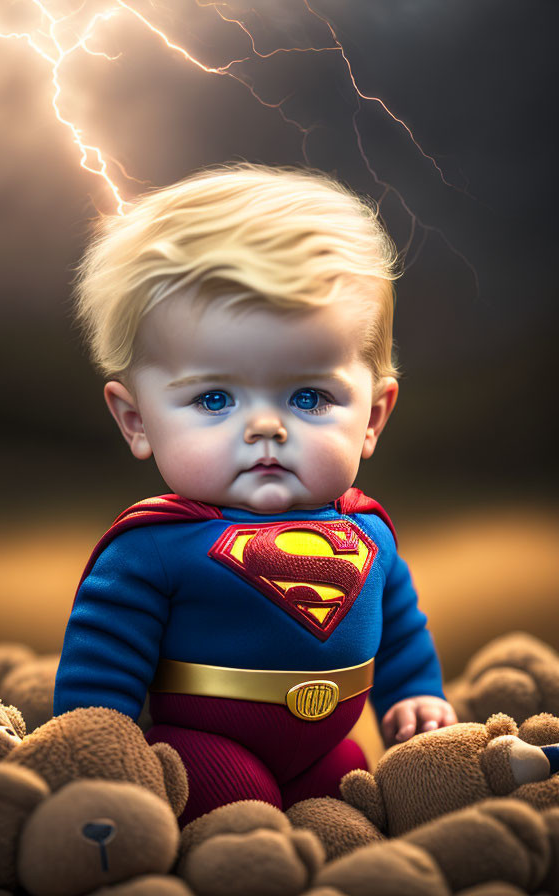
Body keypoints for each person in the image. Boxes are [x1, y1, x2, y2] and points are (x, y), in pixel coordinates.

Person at [54, 162, 457, 825]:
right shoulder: (154, 548)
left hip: (329, 745)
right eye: (215, 398)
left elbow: (400, 632)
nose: (265, 427)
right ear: (136, 420)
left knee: (355, 802)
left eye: (309, 396)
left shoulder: (370, 535)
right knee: (238, 809)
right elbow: (101, 673)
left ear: (374, 418)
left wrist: (413, 694)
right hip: (204, 747)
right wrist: (92, 756)